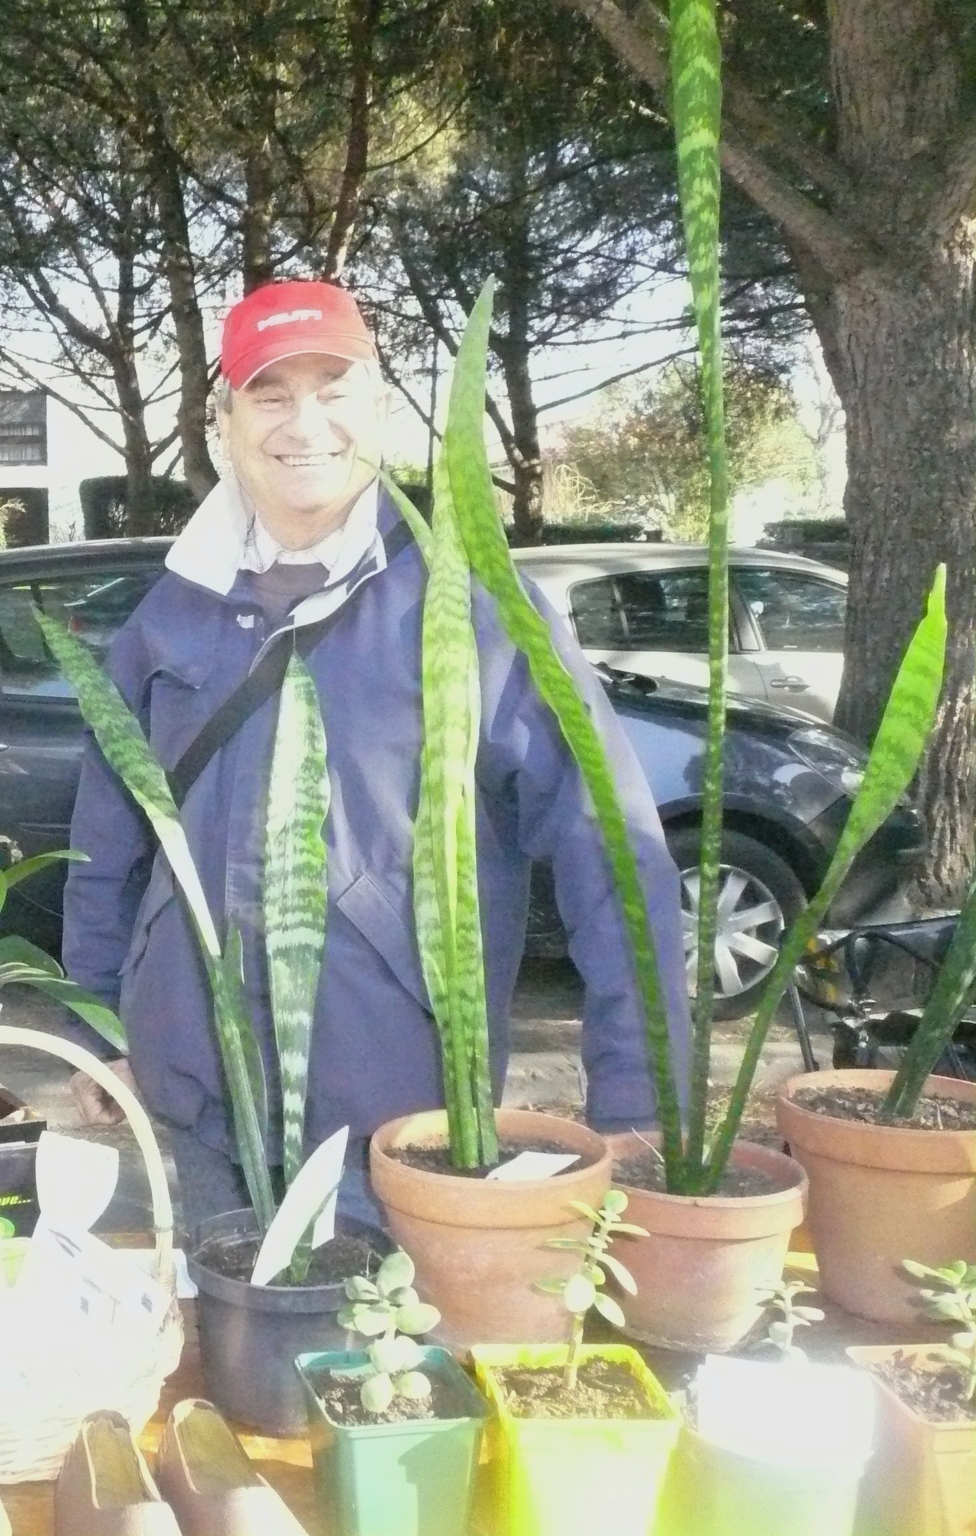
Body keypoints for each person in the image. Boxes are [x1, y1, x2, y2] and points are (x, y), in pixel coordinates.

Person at [62, 280, 687, 1230]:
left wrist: (639, 1097)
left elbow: (611, 848)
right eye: (269, 394)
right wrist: (99, 1028)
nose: (302, 422)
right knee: (225, 1360)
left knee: (382, 1368)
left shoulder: (472, 606)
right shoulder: (171, 610)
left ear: (382, 409)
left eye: (334, 387)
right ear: (225, 422)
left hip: (396, 1122)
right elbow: (106, 841)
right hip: (194, 1098)